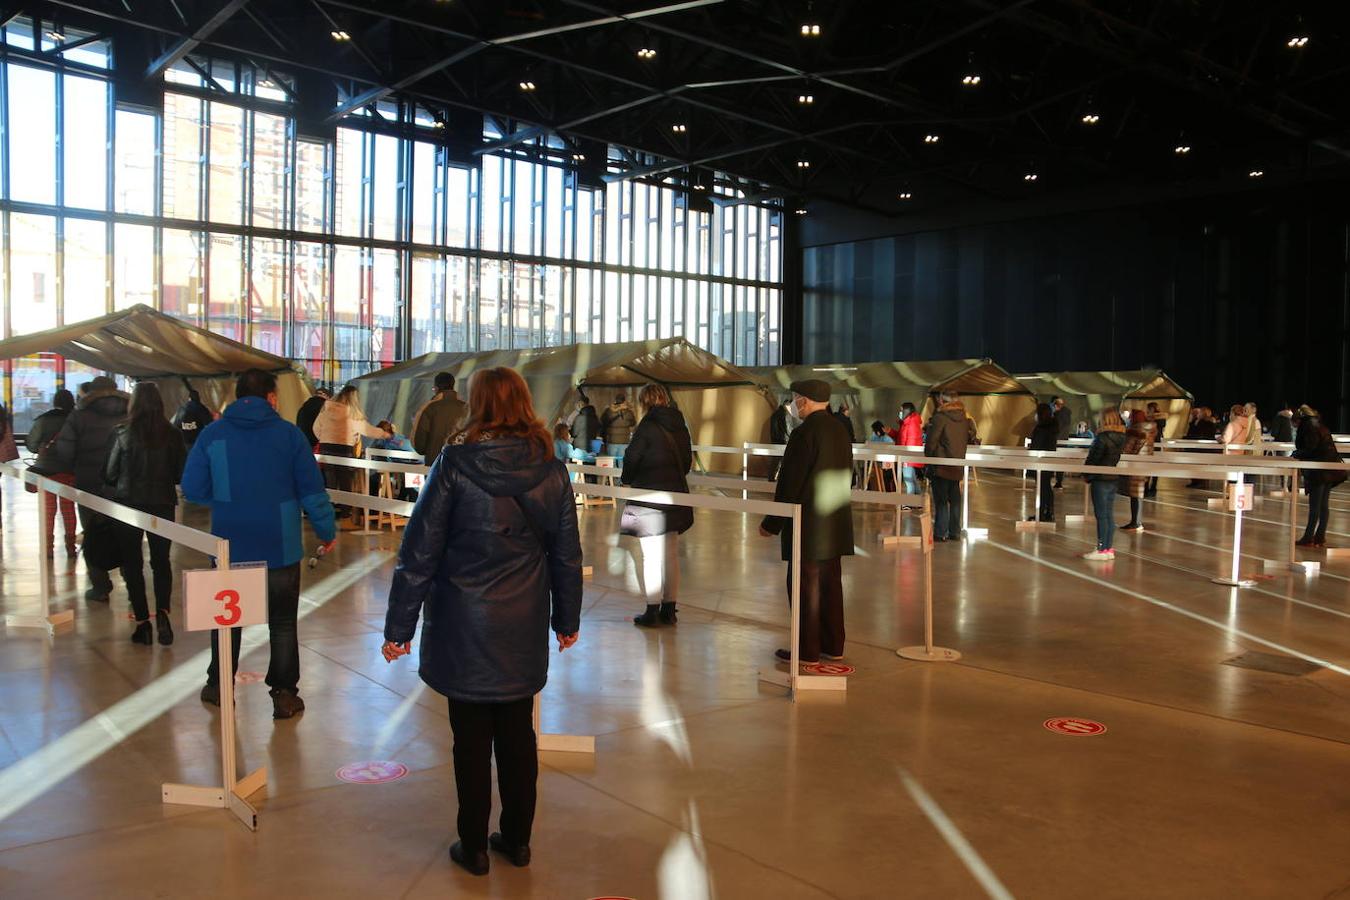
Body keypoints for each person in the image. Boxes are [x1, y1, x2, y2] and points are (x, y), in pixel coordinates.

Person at [381, 366, 582, 877]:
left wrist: (399, 628)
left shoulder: (454, 464)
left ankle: (472, 846)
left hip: (462, 623)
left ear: (479, 405)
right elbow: (566, 556)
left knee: (468, 739)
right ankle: (517, 841)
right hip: (522, 622)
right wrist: (567, 619)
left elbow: (419, 552)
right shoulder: (552, 470)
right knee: (518, 736)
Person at [182, 369, 337, 719]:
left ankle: (219, 685)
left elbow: (192, 488)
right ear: (271, 397)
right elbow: (312, 491)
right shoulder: (289, 435)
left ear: (238, 396)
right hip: (279, 544)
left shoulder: (213, 434)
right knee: (282, 623)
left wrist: (226, 498)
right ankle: (283, 694)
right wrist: (326, 530)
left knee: (226, 620)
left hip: (229, 543)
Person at [759, 379, 853, 665]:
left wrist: (772, 523)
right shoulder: (840, 429)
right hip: (835, 522)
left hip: (809, 526)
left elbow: (790, 484)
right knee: (831, 587)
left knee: (805, 590)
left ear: (805, 401)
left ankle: (808, 650)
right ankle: (833, 645)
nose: (794, 404)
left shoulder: (804, 433)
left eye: (795, 399)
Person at [104, 383, 187, 645]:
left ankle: (143, 622)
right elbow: (179, 473)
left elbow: (109, 473)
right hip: (162, 503)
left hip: (128, 505)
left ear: (134, 404)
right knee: (161, 562)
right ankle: (162, 613)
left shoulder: (121, 433)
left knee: (132, 564)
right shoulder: (172, 434)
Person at [620, 383, 694, 628]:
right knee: (670, 555)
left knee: (650, 557)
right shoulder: (680, 424)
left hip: (647, 496)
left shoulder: (647, 426)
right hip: (674, 496)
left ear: (644, 402)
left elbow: (631, 457)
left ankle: (652, 611)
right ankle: (669, 610)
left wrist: (627, 478)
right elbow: (686, 461)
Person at [52, 376, 131, 603]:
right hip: (123, 484)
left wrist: (75, 467)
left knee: (93, 533)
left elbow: (65, 450)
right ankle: (131, 579)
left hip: (89, 484)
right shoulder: (131, 412)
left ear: (91, 392)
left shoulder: (79, 415)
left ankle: (100, 587)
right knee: (126, 531)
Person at [26, 389, 77, 559]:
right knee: (68, 509)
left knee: (48, 511)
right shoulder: (76, 419)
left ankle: (48, 548)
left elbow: (32, 445)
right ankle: (70, 547)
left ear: (55, 402)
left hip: (45, 471)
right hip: (68, 470)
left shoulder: (43, 419)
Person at [1294, 405, 1345, 548]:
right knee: (1323, 505)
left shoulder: (1308, 428)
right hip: (1330, 469)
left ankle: (1308, 537)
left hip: (1318, 471)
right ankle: (1320, 537)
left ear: (1300, 419)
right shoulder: (1320, 426)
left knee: (1315, 506)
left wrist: (1298, 454)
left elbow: (1310, 449)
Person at [1082, 408, 1127, 560]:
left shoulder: (1101, 438)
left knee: (1101, 516)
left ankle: (1101, 549)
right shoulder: (1122, 437)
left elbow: (1093, 458)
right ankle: (1108, 548)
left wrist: (1086, 475)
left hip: (1100, 479)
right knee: (1109, 515)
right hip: (1113, 478)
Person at [924, 391, 969, 542]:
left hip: (941, 465)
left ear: (942, 400)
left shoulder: (940, 418)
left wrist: (929, 457)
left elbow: (931, 442)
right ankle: (955, 531)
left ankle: (940, 532)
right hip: (957, 465)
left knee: (941, 500)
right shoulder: (964, 418)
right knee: (955, 499)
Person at [413, 372, 467, 466]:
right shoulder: (467, 408)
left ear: (437, 388)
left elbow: (419, 444)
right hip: (461, 464)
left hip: (434, 464)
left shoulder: (429, 408)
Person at [1118, 409, 1155, 532]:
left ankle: (1136, 522)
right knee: (1139, 493)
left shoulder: (1134, 432)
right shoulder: (1150, 430)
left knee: (1135, 494)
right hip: (1145, 465)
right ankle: (1136, 521)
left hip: (1134, 465)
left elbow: (1127, 449)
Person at [1027, 402, 1059, 522]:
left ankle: (1042, 513)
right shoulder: (1052, 428)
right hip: (1048, 462)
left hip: (1040, 461)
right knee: (1046, 488)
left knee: (1042, 488)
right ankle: (1047, 512)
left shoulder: (1041, 429)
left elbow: (1037, 446)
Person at [896, 402, 924, 498]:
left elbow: (911, 442)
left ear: (906, 411)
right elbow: (901, 438)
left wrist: (906, 458)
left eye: (901, 410)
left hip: (908, 456)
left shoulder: (910, 424)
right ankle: (918, 500)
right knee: (912, 479)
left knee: (908, 480)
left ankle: (910, 501)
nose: (900, 412)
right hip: (907, 455)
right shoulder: (907, 423)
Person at [599, 392, 636, 460]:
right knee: (622, 462)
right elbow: (633, 423)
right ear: (624, 401)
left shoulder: (609, 411)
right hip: (624, 441)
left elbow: (602, 420)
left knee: (612, 462)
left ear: (615, 401)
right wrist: (625, 423)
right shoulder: (629, 412)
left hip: (612, 441)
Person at [866, 420, 896, 491]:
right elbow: (869, 444)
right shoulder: (874, 436)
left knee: (887, 475)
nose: (874, 432)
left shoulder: (888, 439)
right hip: (876, 461)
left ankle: (886, 490)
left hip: (885, 461)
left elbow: (891, 451)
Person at [768, 395, 793, 480]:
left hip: (775, 440)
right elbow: (786, 429)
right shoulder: (784, 415)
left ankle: (772, 478)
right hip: (782, 441)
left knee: (775, 461)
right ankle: (775, 478)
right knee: (780, 461)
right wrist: (791, 438)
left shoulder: (775, 414)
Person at [569, 392, 601, 457]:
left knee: (579, 466)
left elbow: (574, 433)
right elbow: (599, 429)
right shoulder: (595, 417)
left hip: (580, 447)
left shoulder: (579, 417)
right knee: (590, 465)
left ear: (581, 404)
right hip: (592, 446)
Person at [1052, 397, 1073, 489]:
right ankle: (1059, 481)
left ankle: (1057, 481)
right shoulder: (1067, 413)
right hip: (1064, 440)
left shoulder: (1057, 414)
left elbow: (1057, 428)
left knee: (1054, 462)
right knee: (1060, 462)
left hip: (1056, 440)